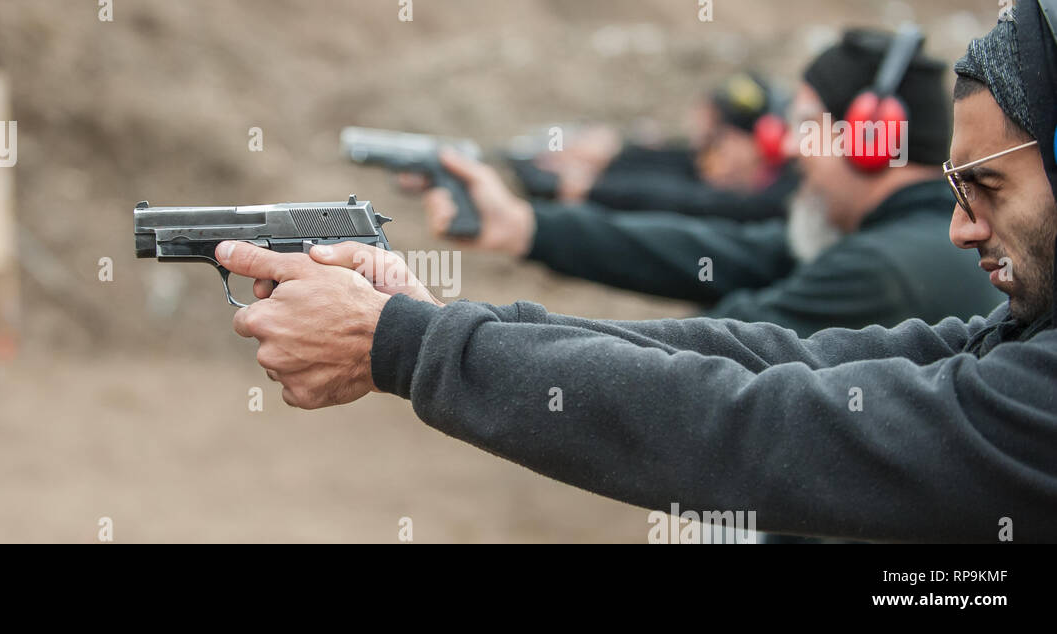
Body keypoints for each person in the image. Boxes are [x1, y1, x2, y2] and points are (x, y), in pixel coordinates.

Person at [211, 2, 1057, 542]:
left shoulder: (951, 311)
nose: (961, 226)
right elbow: (753, 353)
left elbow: (745, 421)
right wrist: (432, 322)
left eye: (985, 185)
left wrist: (409, 345)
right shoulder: (1016, 331)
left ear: (873, 138)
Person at [428, 29, 1002, 338]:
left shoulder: (884, 270)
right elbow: (707, 251)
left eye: (807, 128)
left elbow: (695, 351)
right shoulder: (898, 240)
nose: (796, 151)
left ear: (872, 137)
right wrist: (524, 226)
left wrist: (438, 336)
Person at [512, 72, 801, 222]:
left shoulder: (772, 202)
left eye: (715, 145)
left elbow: (688, 200)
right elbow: (680, 166)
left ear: (757, 145)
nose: (704, 159)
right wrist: (613, 157)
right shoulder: (758, 172)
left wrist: (590, 188)